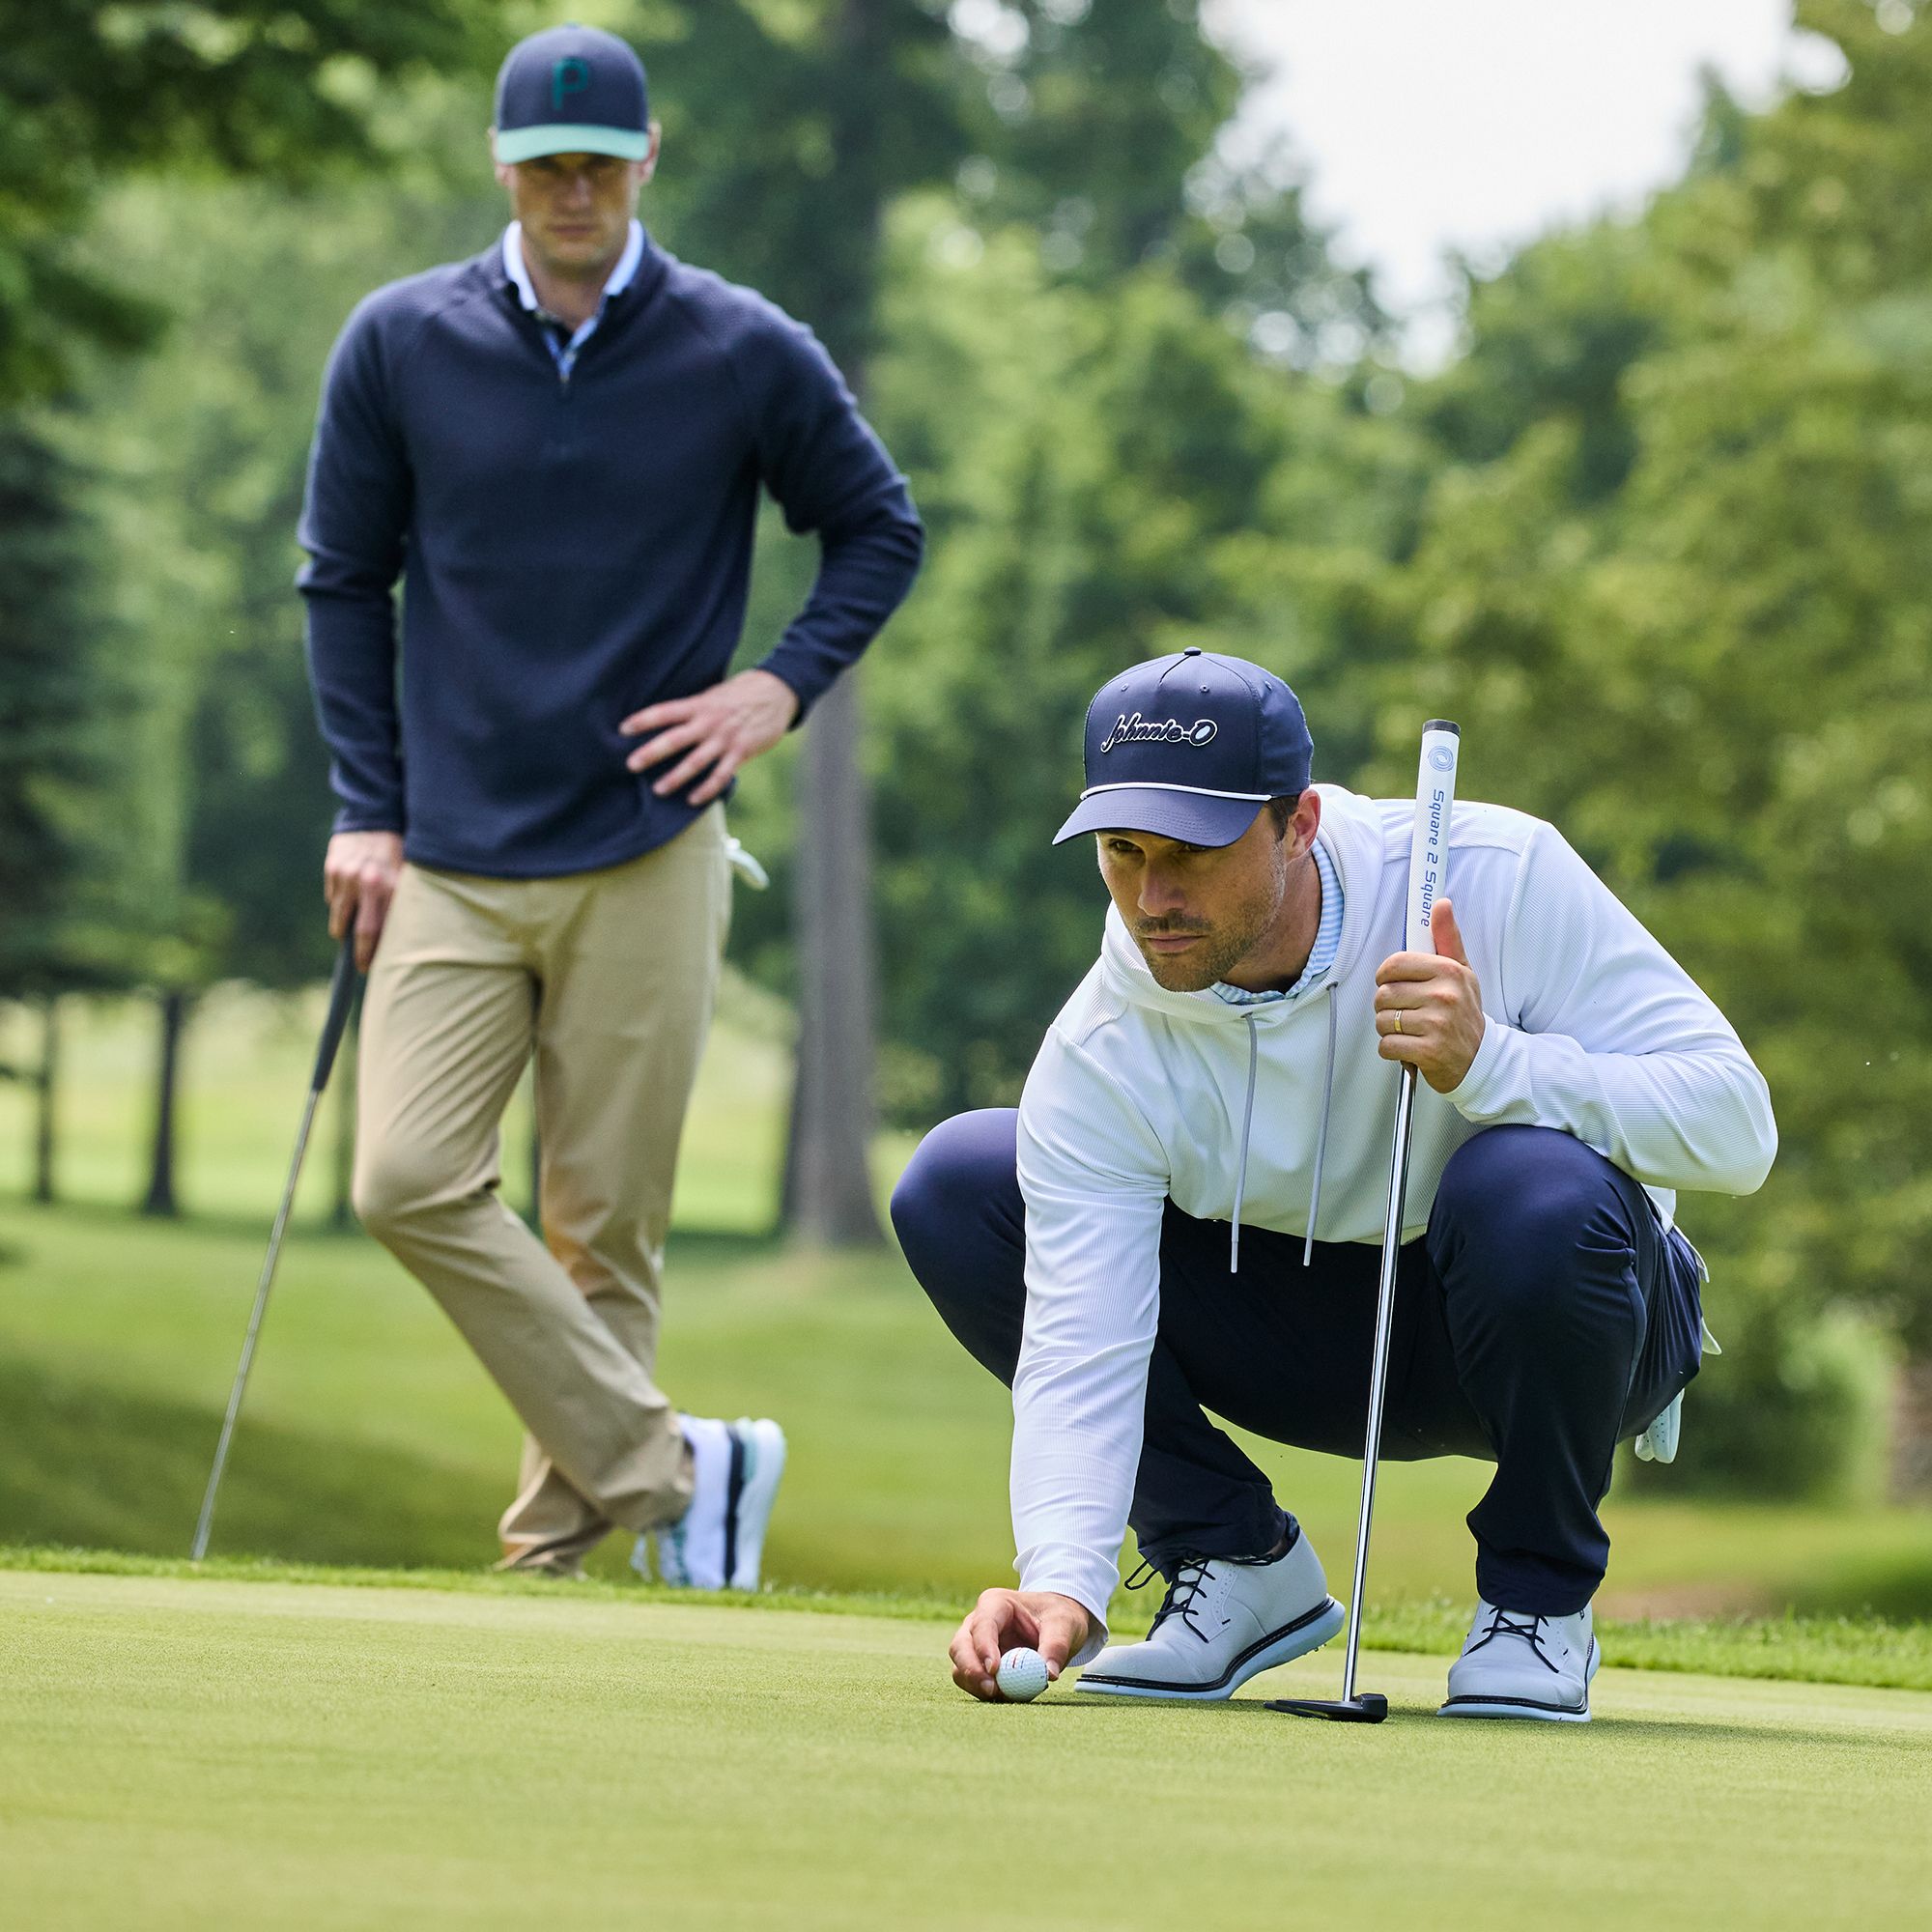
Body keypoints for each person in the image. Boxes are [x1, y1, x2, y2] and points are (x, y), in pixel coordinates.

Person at [298, 24, 923, 1585]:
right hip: (445, 843)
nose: (573, 189)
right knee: (407, 1180)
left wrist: (775, 688)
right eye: (544, 166)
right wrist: (362, 809)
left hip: (650, 844)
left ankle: (551, 1571)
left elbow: (875, 529)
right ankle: (676, 1470)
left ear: (647, 163)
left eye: (599, 162)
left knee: (603, 1236)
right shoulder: (399, 341)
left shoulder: (740, 347)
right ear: (503, 170)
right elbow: (338, 581)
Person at [892, 649, 1775, 1719]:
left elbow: (1737, 1129)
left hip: (1568, 1318)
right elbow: (1083, 1341)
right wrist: (1060, 1580)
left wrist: (1491, 1064)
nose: (1152, 897)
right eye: (1121, 852)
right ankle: (1231, 1560)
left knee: (1529, 1180)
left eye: (1191, 851)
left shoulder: (1497, 871)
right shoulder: (1103, 1045)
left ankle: (1537, 1603)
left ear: (1298, 822)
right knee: (961, 1181)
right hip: (1315, 1339)